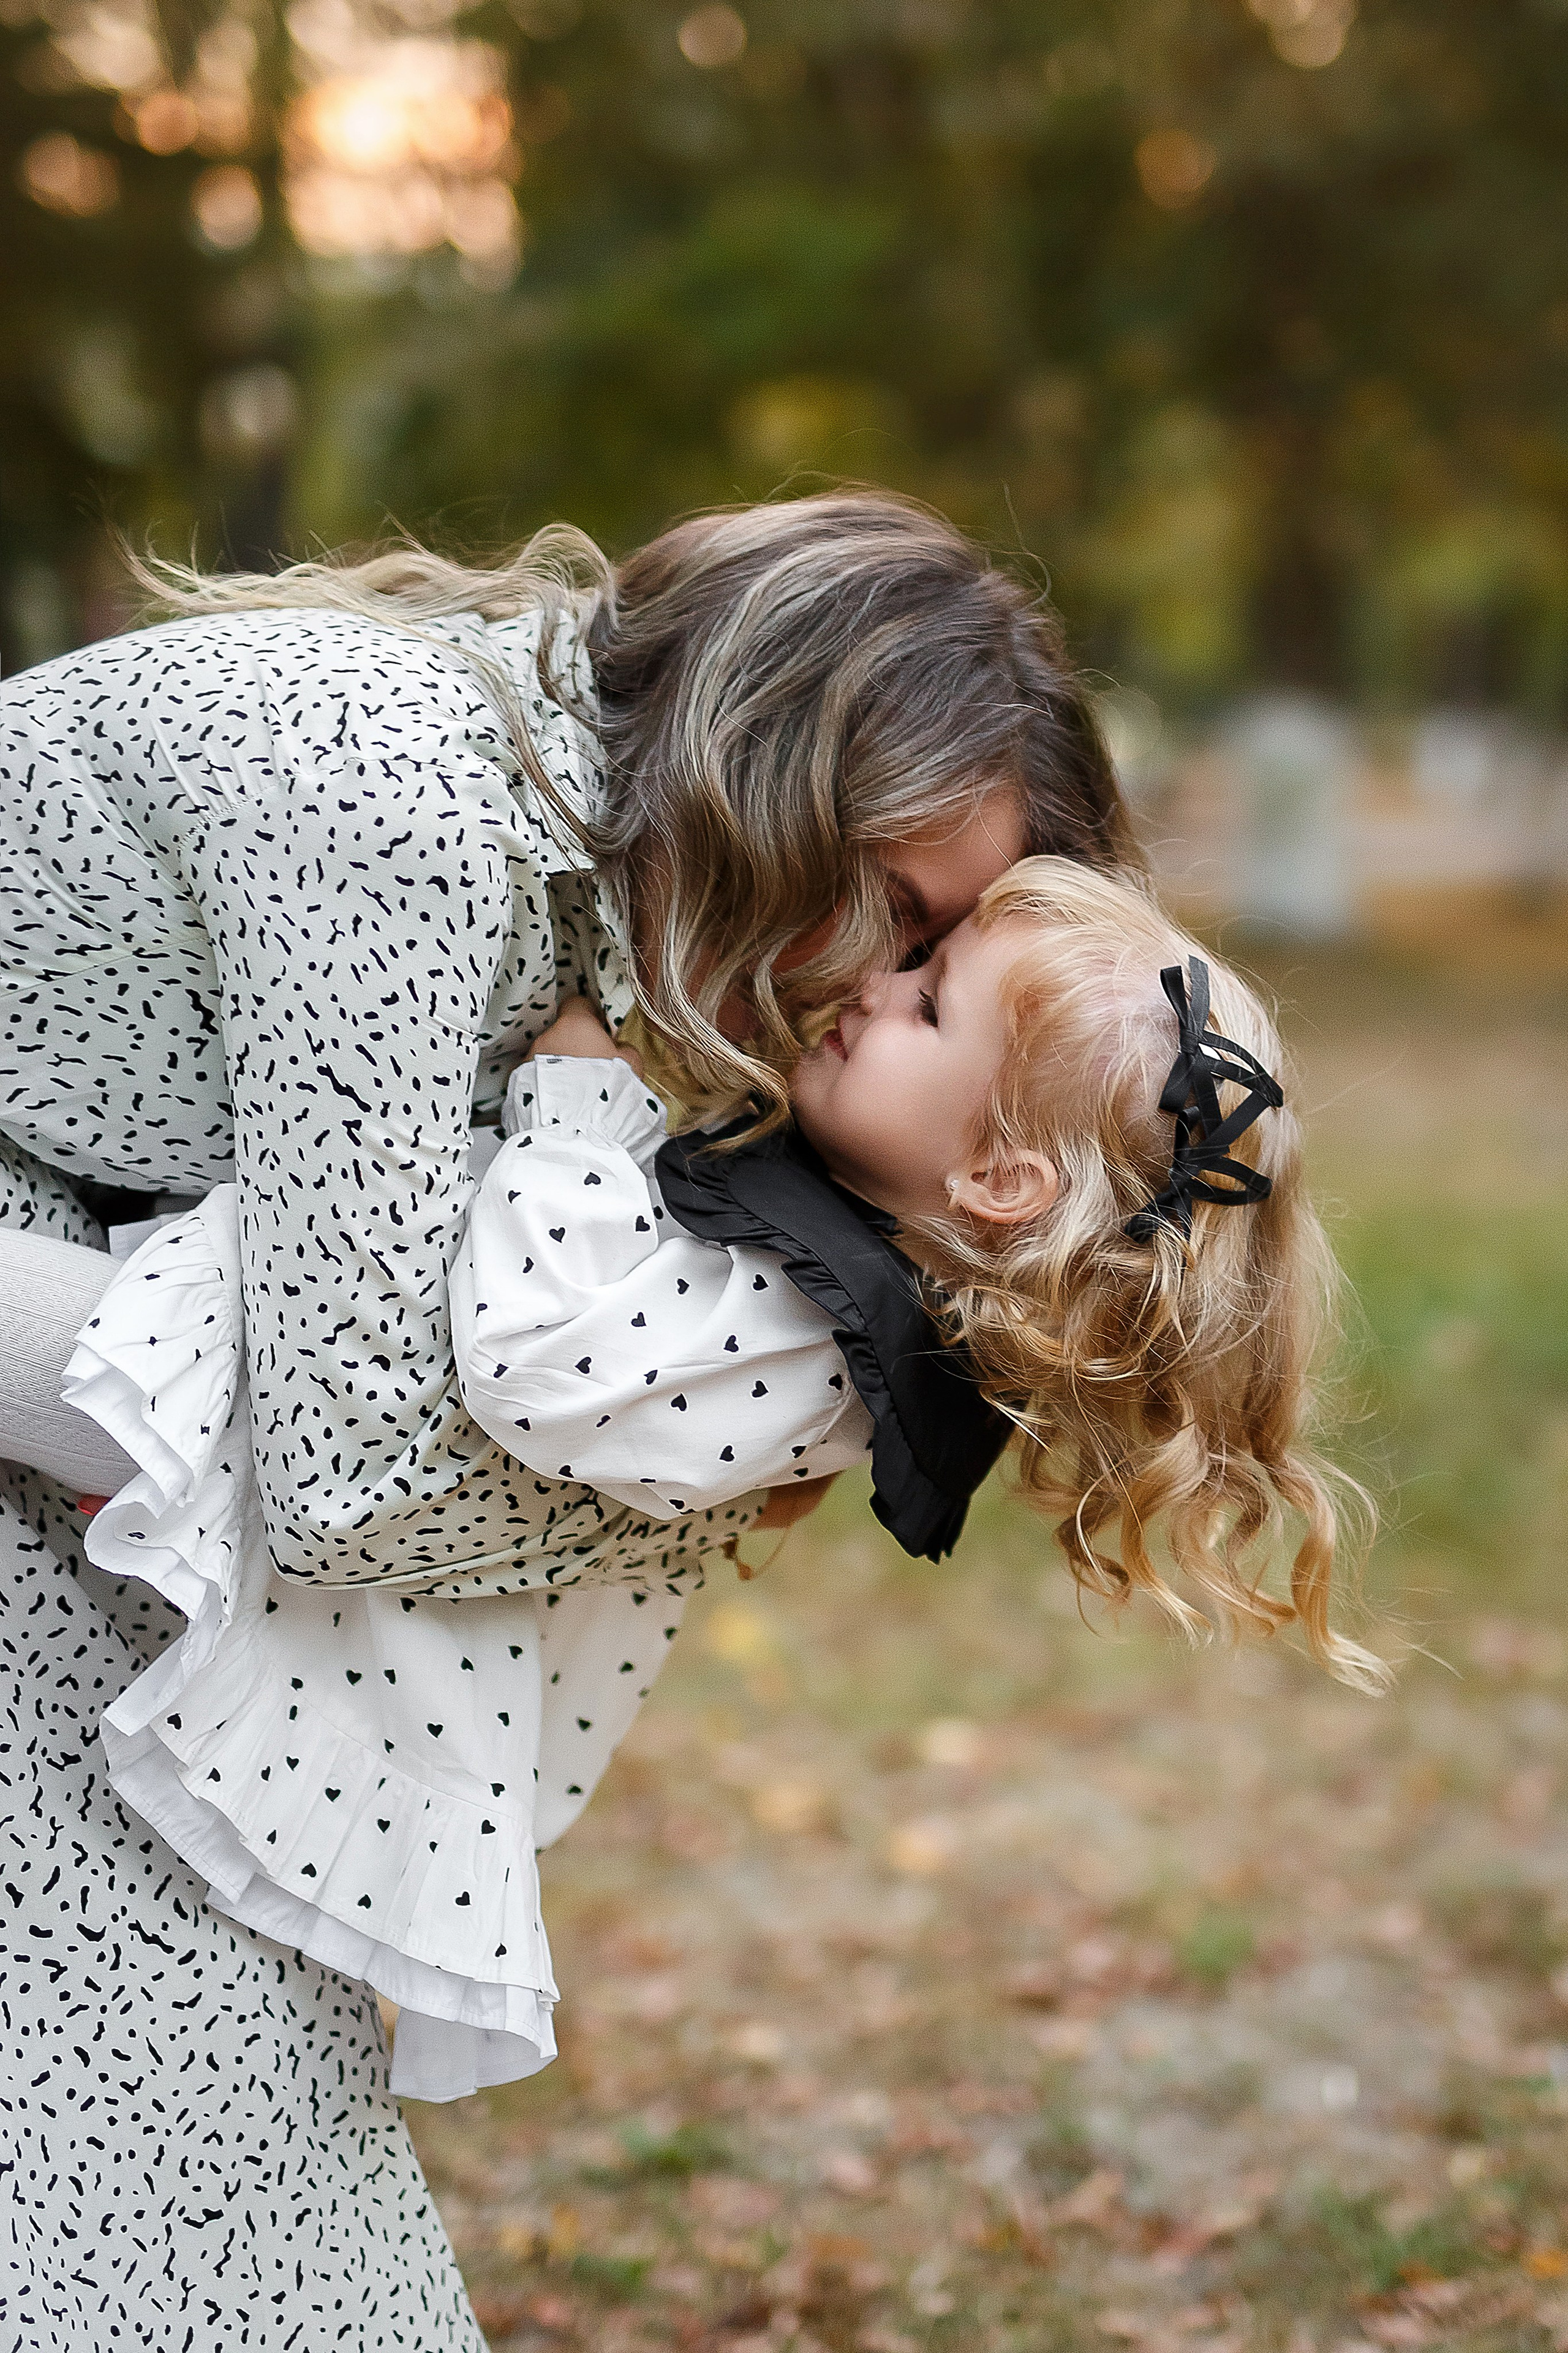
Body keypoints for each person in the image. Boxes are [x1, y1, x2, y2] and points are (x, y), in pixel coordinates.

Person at [0, 491, 1134, 2346]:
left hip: (64, 1297)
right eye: (906, 919)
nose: (876, 985)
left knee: (187, 2065)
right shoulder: (402, 806)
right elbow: (346, 1480)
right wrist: (680, 1502)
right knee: (170, 2062)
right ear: (778, 767)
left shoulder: (594, 920)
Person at [1, 857, 1381, 2121]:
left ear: (998, 1175)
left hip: (230, 1416)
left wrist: (577, 1089)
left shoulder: (812, 1351)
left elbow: (532, 1354)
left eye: (925, 1002)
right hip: (272, 1368)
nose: (874, 983)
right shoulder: (845, 1252)